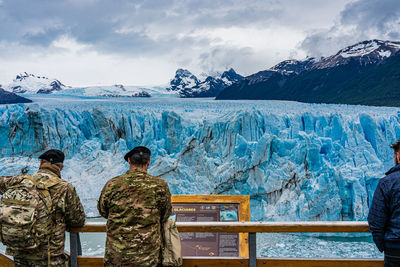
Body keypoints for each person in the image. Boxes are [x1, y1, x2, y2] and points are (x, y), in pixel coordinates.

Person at [0, 149, 85, 267]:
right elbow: (78, 220)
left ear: (41, 163)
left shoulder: (18, 181)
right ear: (61, 167)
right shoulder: (64, 188)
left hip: (20, 254)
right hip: (50, 258)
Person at [98, 146, 172, 267]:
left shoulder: (113, 184)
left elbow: (103, 211)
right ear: (148, 162)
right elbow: (165, 214)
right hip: (149, 257)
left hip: (117, 257)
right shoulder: (159, 185)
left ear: (129, 161)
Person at [368, 140, 400, 266]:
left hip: (396, 250)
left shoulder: (387, 182)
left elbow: (376, 220)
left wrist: (387, 245)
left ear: (398, 156)